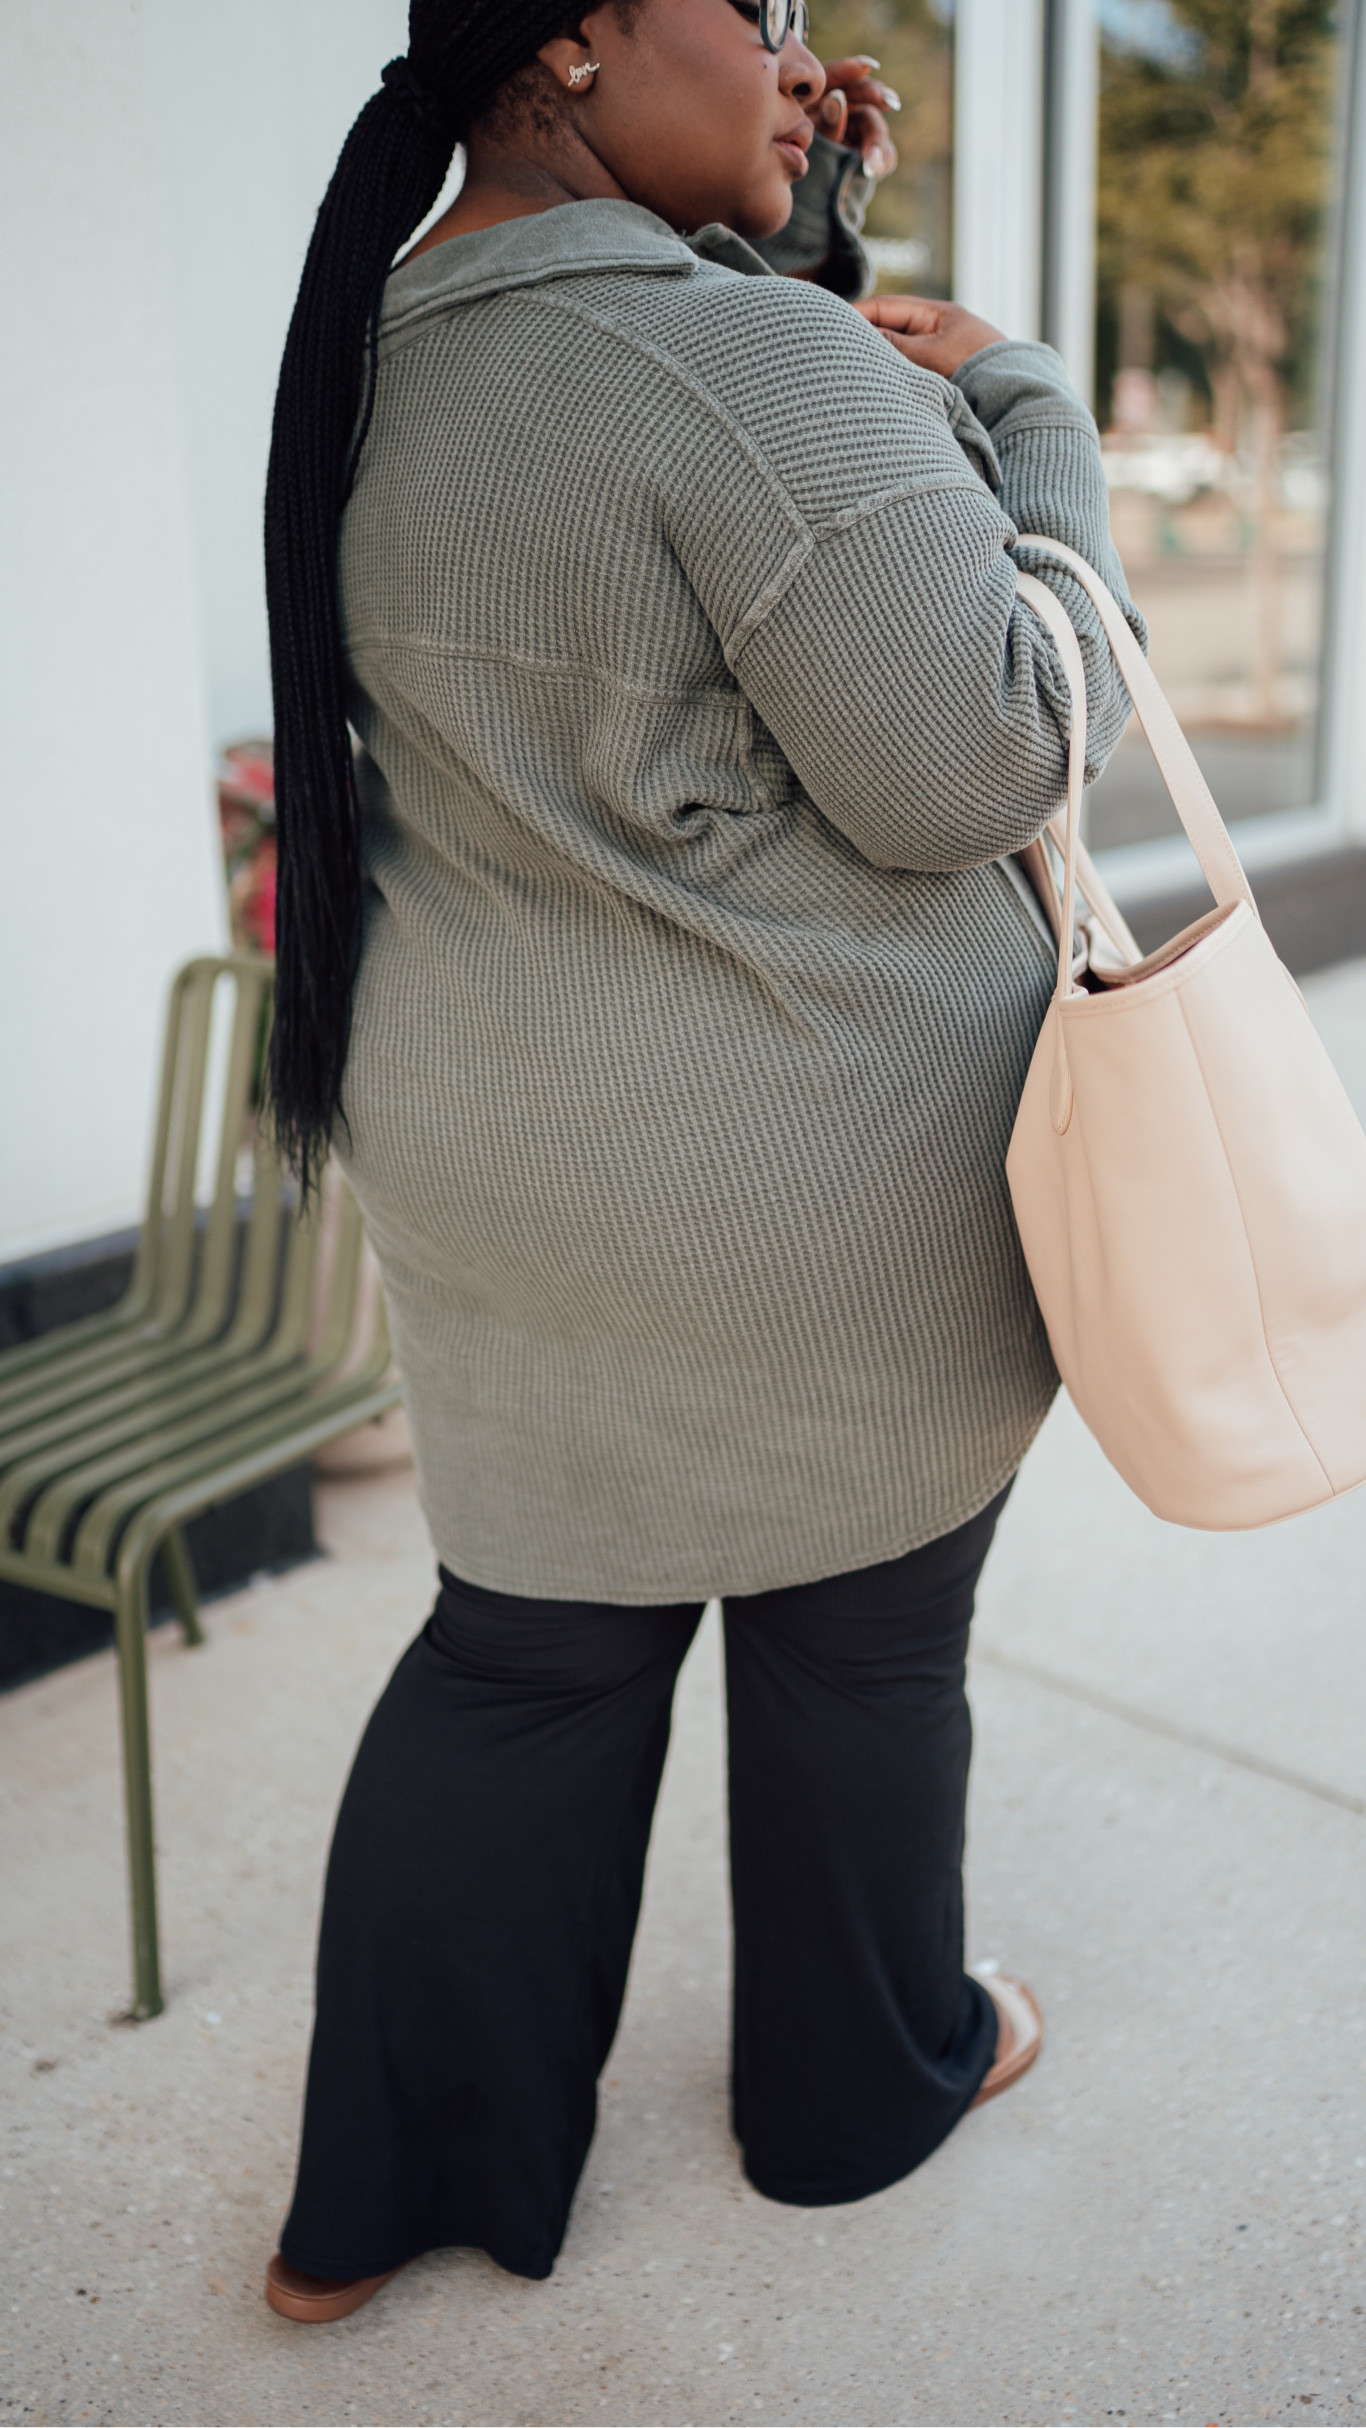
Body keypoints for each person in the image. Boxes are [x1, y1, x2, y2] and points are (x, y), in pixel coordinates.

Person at [260, 0, 1143, 2325]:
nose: (797, 54)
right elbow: (975, 758)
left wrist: (793, 239)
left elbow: (672, 574)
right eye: (747, 13)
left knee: (525, 1662)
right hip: (803, 1185)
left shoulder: (373, 345)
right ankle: (860, 2089)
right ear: (565, 41)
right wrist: (1024, 404)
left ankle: (395, 2193)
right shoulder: (746, 374)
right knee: (858, 1655)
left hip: (504, 1155)